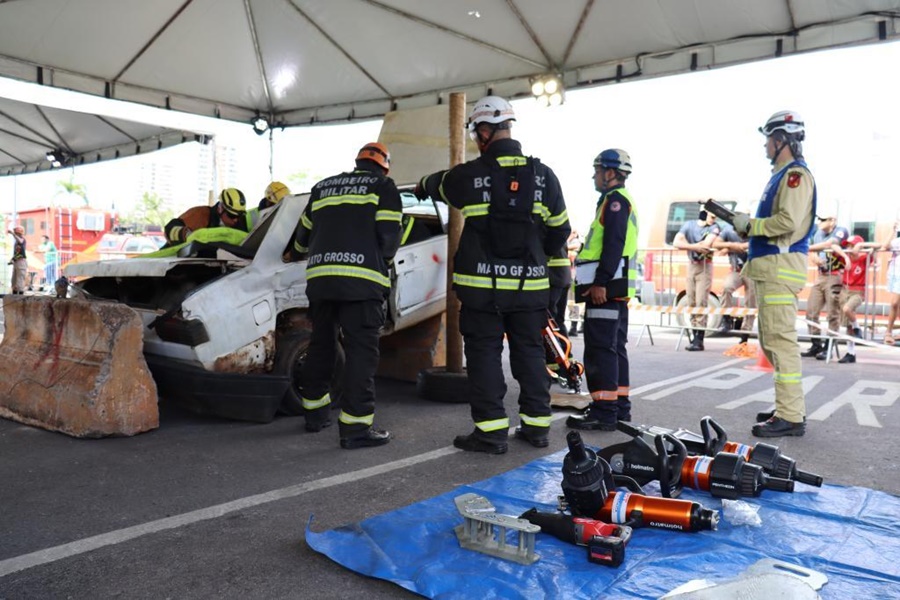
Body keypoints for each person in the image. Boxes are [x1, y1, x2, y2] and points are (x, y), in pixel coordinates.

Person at [415, 95, 570, 454]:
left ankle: (491, 433)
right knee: (530, 353)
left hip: (482, 291)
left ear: (484, 131)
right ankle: (536, 428)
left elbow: (438, 184)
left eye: (476, 133)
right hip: (530, 289)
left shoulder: (468, 176)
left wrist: (422, 183)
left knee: (483, 355)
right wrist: (533, 256)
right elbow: (561, 232)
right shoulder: (545, 177)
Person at [288, 142, 401, 449]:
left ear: (358, 162)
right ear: (384, 166)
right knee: (360, 354)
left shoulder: (323, 187)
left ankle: (315, 415)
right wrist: (383, 263)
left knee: (321, 345)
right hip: (362, 284)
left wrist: (300, 254)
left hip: (322, 281)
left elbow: (301, 239)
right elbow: (389, 237)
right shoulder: (383, 186)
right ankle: (355, 428)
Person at [731, 110, 816, 438]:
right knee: (772, 340)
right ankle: (787, 407)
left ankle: (791, 417)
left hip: (780, 271)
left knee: (780, 342)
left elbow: (788, 223)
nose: (765, 145)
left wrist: (750, 225)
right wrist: (750, 229)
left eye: (769, 139)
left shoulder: (795, 176)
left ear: (782, 140)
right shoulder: (783, 175)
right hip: (772, 270)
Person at [566, 149, 639, 431]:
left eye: (597, 170)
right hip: (616, 289)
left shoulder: (615, 202)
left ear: (610, 173)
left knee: (600, 350)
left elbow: (614, 243)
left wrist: (601, 282)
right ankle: (619, 408)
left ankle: (604, 411)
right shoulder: (618, 200)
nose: (594, 176)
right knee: (614, 348)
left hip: (606, 288)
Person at [672, 206, 721, 351]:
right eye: (712, 216)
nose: (714, 220)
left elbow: (706, 246)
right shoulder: (689, 225)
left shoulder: (714, 227)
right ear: (704, 214)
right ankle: (694, 337)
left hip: (705, 266)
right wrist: (694, 246)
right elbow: (676, 242)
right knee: (691, 300)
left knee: (701, 301)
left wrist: (687, 246)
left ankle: (699, 339)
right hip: (692, 265)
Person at [802, 209, 849, 359]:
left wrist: (809, 249)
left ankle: (829, 347)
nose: (820, 223)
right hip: (821, 275)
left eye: (823, 220)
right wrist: (814, 257)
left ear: (832, 220)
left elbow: (830, 244)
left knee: (832, 314)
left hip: (835, 276)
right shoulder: (817, 234)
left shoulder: (841, 231)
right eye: (820, 219)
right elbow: (816, 250)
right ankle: (816, 345)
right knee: (811, 311)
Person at [714, 223, 755, 342]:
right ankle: (726, 318)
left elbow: (757, 244)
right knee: (726, 288)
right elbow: (716, 244)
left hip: (753, 271)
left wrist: (737, 247)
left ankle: (745, 334)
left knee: (751, 302)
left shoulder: (756, 229)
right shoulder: (728, 230)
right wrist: (731, 245)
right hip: (736, 270)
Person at [163, 188, 249, 246]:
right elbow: (170, 228)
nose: (236, 220)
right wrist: (187, 235)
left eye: (239, 216)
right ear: (220, 208)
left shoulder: (242, 224)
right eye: (232, 215)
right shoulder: (200, 214)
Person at [832, 234, 867, 363]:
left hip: (858, 291)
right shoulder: (845, 258)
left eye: (851, 246)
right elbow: (833, 245)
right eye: (848, 245)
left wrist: (860, 246)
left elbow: (879, 246)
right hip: (845, 290)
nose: (849, 248)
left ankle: (857, 327)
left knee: (847, 309)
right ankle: (851, 353)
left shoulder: (864, 258)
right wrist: (846, 256)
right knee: (847, 325)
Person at [880, 221, 900, 346]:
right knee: (894, 303)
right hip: (896, 275)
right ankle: (888, 332)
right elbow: (884, 247)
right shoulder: (897, 241)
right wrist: (892, 231)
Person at [565, 230, 583, 337]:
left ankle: (574, 326)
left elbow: (564, 246)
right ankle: (575, 325)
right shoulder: (570, 243)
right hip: (570, 276)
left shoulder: (575, 242)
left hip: (575, 276)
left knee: (574, 302)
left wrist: (569, 238)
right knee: (572, 303)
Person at [8, 226, 27, 294]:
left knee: (20, 280)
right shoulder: (16, 242)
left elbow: (21, 241)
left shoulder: (22, 240)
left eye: (16, 233)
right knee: (14, 280)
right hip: (16, 262)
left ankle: (20, 297)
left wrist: (13, 234)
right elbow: (18, 253)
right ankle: (14, 295)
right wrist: (12, 259)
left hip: (21, 262)